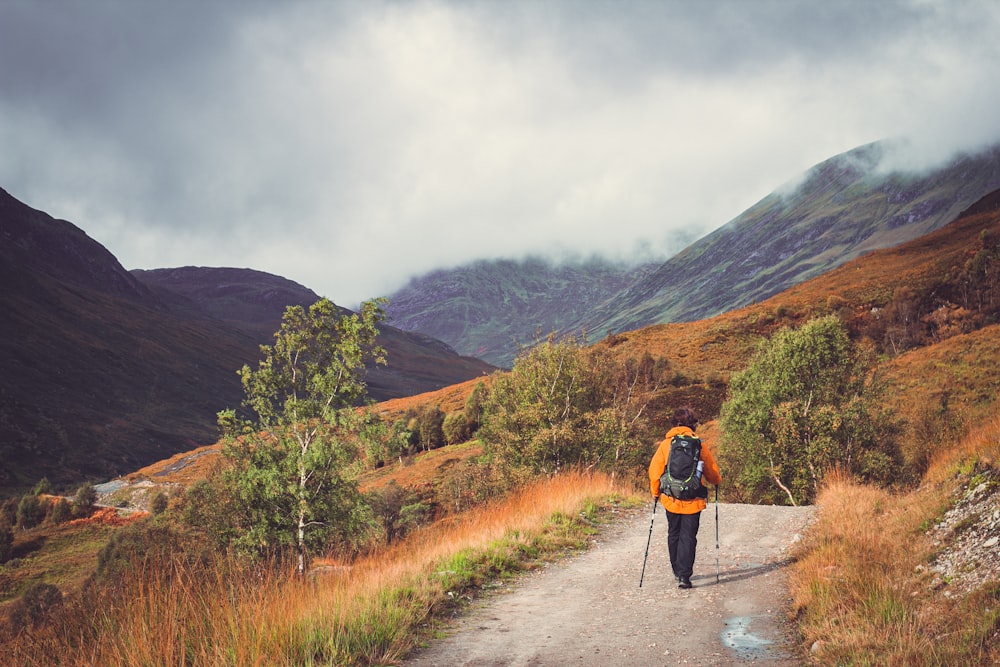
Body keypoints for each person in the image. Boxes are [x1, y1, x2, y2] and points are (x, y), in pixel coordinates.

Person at [647, 406, 721, 589]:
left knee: (674, 533)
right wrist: (716, 481)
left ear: (675, 423)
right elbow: (711, 470)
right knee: (688, 536)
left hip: (671, 498)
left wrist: (656, 492)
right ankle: (684, 576)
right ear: (692, 424)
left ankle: (676, 570)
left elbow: (654, 471)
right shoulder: (699, 445)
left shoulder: (667, 444)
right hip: (693, 499)